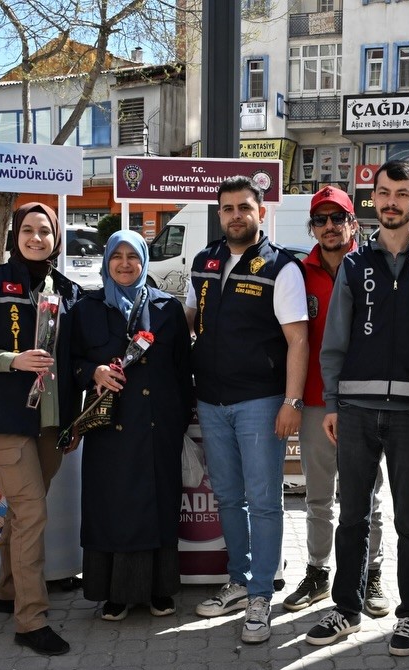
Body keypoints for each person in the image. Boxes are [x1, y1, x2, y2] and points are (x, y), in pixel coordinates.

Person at [305, 161, 409, 655]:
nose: (391, 201)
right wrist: (332, 402)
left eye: (402, 193)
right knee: (351, 514)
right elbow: (333, 343)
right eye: (383, 192)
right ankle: (346, 608)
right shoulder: (355, 264)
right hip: (354, 410)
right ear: (372, 199)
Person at [185, 176, 309, 645]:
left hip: (261, 402)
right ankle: (238, 581)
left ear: (261, 212)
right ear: (219, 215)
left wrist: (291, 402)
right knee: (226, 499)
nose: (235, 215)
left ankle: (261, 596)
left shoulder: (281, 267)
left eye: (244, 207)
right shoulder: (205, 260)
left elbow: (298, 339)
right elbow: (194, 317)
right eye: (227, 209)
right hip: (211, 400)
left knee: (263, 501)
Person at [0, 202, 83, 656]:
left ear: (56, 238)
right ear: (15, 236)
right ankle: (31, 620)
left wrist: (79, 414)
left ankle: (8, 590)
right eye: (27, 230)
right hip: (7, 419)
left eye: (45, 231)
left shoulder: (69, 290)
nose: (36, 238)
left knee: (21, 512)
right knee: (32, 514)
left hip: (52, 422)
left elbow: (76, 359)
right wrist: (12, 360)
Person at [71, 230, 193, 621]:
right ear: (106, 261)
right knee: (113, 507)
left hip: (159, 426)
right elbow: (68, 364)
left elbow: (181, 368)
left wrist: (179, 417)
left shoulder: (167, 308)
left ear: (144, 261)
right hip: (110, 428)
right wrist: (94, 371)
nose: (125, 263)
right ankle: (114, 594)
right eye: (117, 255)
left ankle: (159, 590)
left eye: (133, 256)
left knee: (158, 505)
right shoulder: (86, 309)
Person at [283, 187, 388, 615]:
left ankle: (372, 572)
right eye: (321, 220)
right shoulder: (296, 273)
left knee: (368, 496)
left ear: (353, 224)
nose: (329, 226)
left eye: (337, 218)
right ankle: (318, 573)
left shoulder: (374, 265)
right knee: (318, 496)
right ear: (313, 227)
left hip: (364, 401)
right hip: (312, 402)